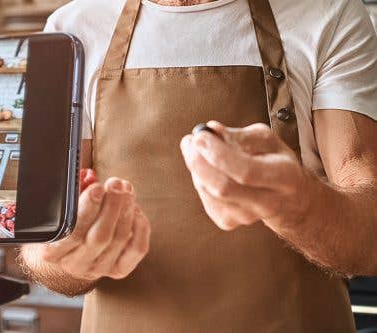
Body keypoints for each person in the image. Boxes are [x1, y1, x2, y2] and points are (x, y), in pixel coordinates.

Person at [19, 0, 377, 331]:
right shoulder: (68, 31)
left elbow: (370, 235)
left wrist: (298, 206)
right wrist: (68, 258)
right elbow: (40, 249)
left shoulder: (331, 14)